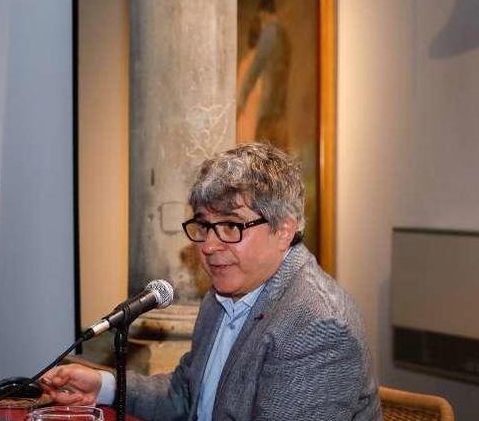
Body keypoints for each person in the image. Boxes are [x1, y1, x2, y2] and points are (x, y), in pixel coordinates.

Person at [41, 143, 381, 420]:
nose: (208, 245)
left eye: (231, 226)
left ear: (284, 231)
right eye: (204, 225)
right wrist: (103, 386)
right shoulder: (221, 297)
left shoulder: (319, 325)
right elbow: (186, 396)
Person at [237, 0, 291, 149]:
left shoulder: (270, 32)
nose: (261, 23)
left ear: (264, 14)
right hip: (281, 113)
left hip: (267, 114)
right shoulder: (285, 37)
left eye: (261, 18)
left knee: (260, 166)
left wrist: (241, 101)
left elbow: (255, 69)